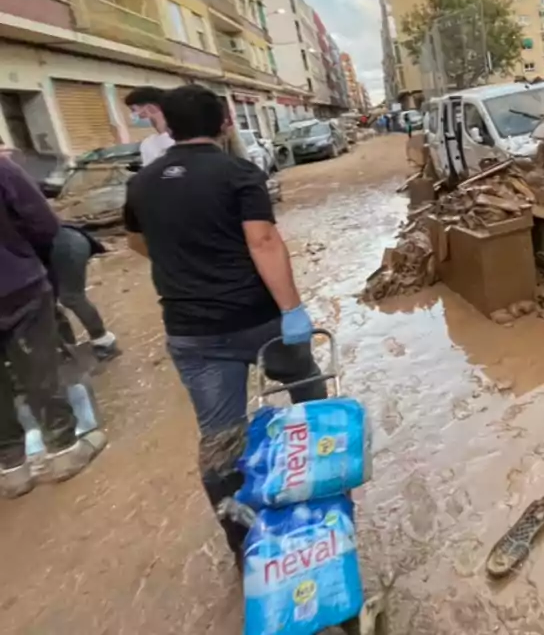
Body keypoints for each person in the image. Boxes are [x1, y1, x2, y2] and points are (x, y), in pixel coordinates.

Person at [123, 84, 324, 559]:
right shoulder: (238, 172)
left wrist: (183, 258)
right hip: (258, 319)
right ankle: (321, 487)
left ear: (168, 127)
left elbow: (136, 244)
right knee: (307, 388)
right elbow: (264, 242)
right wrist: (292, 309)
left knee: (220, 437)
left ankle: (245, 546)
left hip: (191, 331)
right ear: (224, 124)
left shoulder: (142, 182)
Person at [1, 149, 105, 499]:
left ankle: (12, 470)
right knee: (39, 369)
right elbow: (45, 225)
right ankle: (63, 450)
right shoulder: (3, 169)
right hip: (16, 287)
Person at [50, 224, 119, 362]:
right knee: (48, 303)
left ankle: (104, 341)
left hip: (66, 248)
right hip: (65, 245)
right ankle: (67, 346)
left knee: (71, 297)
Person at [124, 86, 174, 167]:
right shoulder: (148, 143)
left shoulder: (182, 140)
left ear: (151, 108)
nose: (132, 115)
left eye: (134, 110)